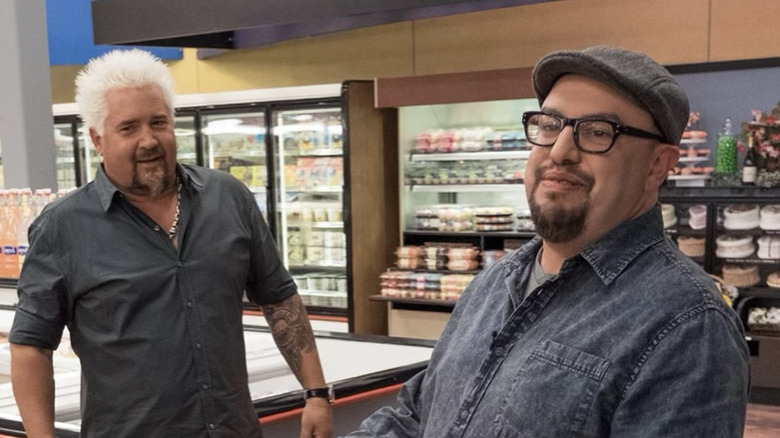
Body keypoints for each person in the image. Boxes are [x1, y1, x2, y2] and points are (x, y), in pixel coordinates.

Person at [343, 46, 750, 437]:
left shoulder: (689, 325)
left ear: (656, 164)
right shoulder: (495, 281)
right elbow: (417, 415)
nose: (560, 151)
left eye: (597, 132)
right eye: (549, 125)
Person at [9, 49, 333, 438]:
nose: (148, 140)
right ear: (98, 138)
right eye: (128, 128)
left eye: (158, 122)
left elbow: (279, 299)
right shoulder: (63, 228)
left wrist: (315, 394)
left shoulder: (228, 198)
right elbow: (31, 347)